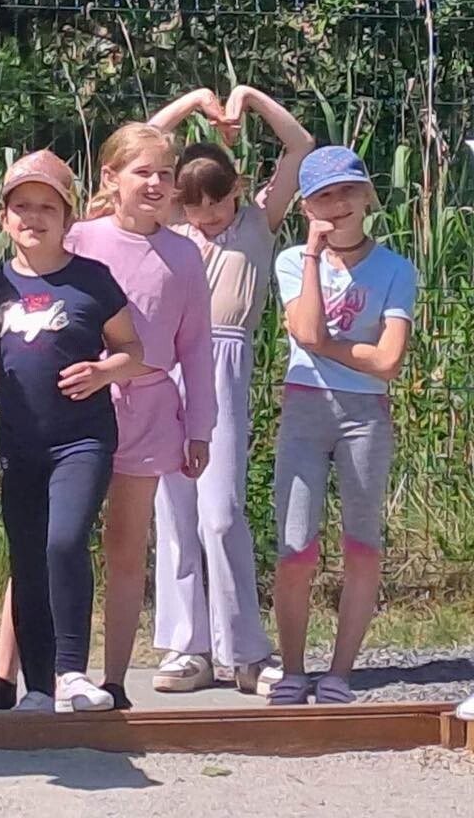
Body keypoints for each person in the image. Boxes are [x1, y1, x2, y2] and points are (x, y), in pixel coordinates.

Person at [0, 152, 143, 713]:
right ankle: (36, 687)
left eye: (47, 207)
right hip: (20, 443)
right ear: (4, 218)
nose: (34, 217)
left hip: (82, 439)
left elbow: (133, 350)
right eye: (22, 207)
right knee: (28, 557)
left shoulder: (93, 280)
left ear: (68, 217)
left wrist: (103, 371)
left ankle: (72, 672)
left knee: (64, 541)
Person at [147, 85, 313, 695]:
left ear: (237, 190)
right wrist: (192, 100)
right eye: (194, 208)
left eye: (216, 204)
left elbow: (299, 145)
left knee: (220, 513)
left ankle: (244, 650)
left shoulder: (257, 224)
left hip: (224, 367)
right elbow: (143, 143)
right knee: (175, 512)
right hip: (168, 369)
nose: (207, 217)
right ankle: (187, 647)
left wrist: (247, 98)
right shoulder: (173, 227)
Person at [64, 123, 216, 711]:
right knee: (54, 539)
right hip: (78, 406)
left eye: (164, 174)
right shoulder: (80, 238)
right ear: (111, 178)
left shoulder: (184, 253)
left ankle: (114, 680)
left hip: (150, 410)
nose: (154, 183)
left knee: (126, 549)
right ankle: (19, 675)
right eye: (141, 171)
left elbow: (195, 346)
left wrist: (199, 427)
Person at [269, 146, 416, 705]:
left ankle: (340, 672)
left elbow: (389, 361)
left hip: (364, 416)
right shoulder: (292, 261)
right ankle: (292, 669)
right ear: (307, 207)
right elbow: (306, 330)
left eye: (348, 190)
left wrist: (327, 346)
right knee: (295, 547)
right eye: (323, 196)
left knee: (362, 543)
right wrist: (313, 255)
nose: (338, 204)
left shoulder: (396, 269)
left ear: (368, 195)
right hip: (304, 409)